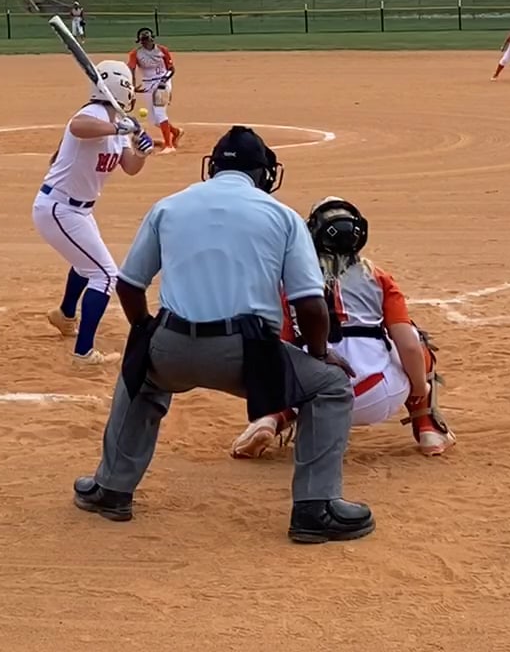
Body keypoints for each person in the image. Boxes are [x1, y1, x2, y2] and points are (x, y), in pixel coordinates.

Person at [71, 126, 373, 544]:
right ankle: (314, 509)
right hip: (249, 356)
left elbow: (129, 285)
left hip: (173, 347)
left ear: (211, 168)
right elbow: (309, 303)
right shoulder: (282, 216)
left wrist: (144, 331)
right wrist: (319, 354)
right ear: (264, 173)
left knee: (139, 372)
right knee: (330, 386)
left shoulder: (169, 206)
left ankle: (112, 490)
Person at [231, 197, 457, 460]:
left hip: (316, 400)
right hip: (378, 395)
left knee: (284, 355)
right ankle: (428, 428)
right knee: (415, 339)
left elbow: (281, 349)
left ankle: (270, 417)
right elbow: (408, 346)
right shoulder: (378, 277)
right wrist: (420, 388)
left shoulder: (290, 280)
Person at [38, 59, 154, 365]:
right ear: (123, 89)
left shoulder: (116, 123)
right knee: (105, 275)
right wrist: (118, 126)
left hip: (78, 211)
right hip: (59, 208)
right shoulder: (94, 114)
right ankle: (84, 353)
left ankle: (65, 315)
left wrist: (141, 150)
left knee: (86, 264)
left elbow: (130, 167)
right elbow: (77, 126)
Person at [128, 27, 184, 151]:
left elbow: (171, 69)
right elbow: (131, 69)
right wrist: (133, 85)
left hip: (163, 82)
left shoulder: (162, 50)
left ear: (152, 39)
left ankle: (169, 145)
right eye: (143, 40)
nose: (145, 42)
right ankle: (176, 132)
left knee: (160, 112)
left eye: (147, 39)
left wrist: (163, 81)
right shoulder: (135, 54)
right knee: (154, 120)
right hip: (148, 84)